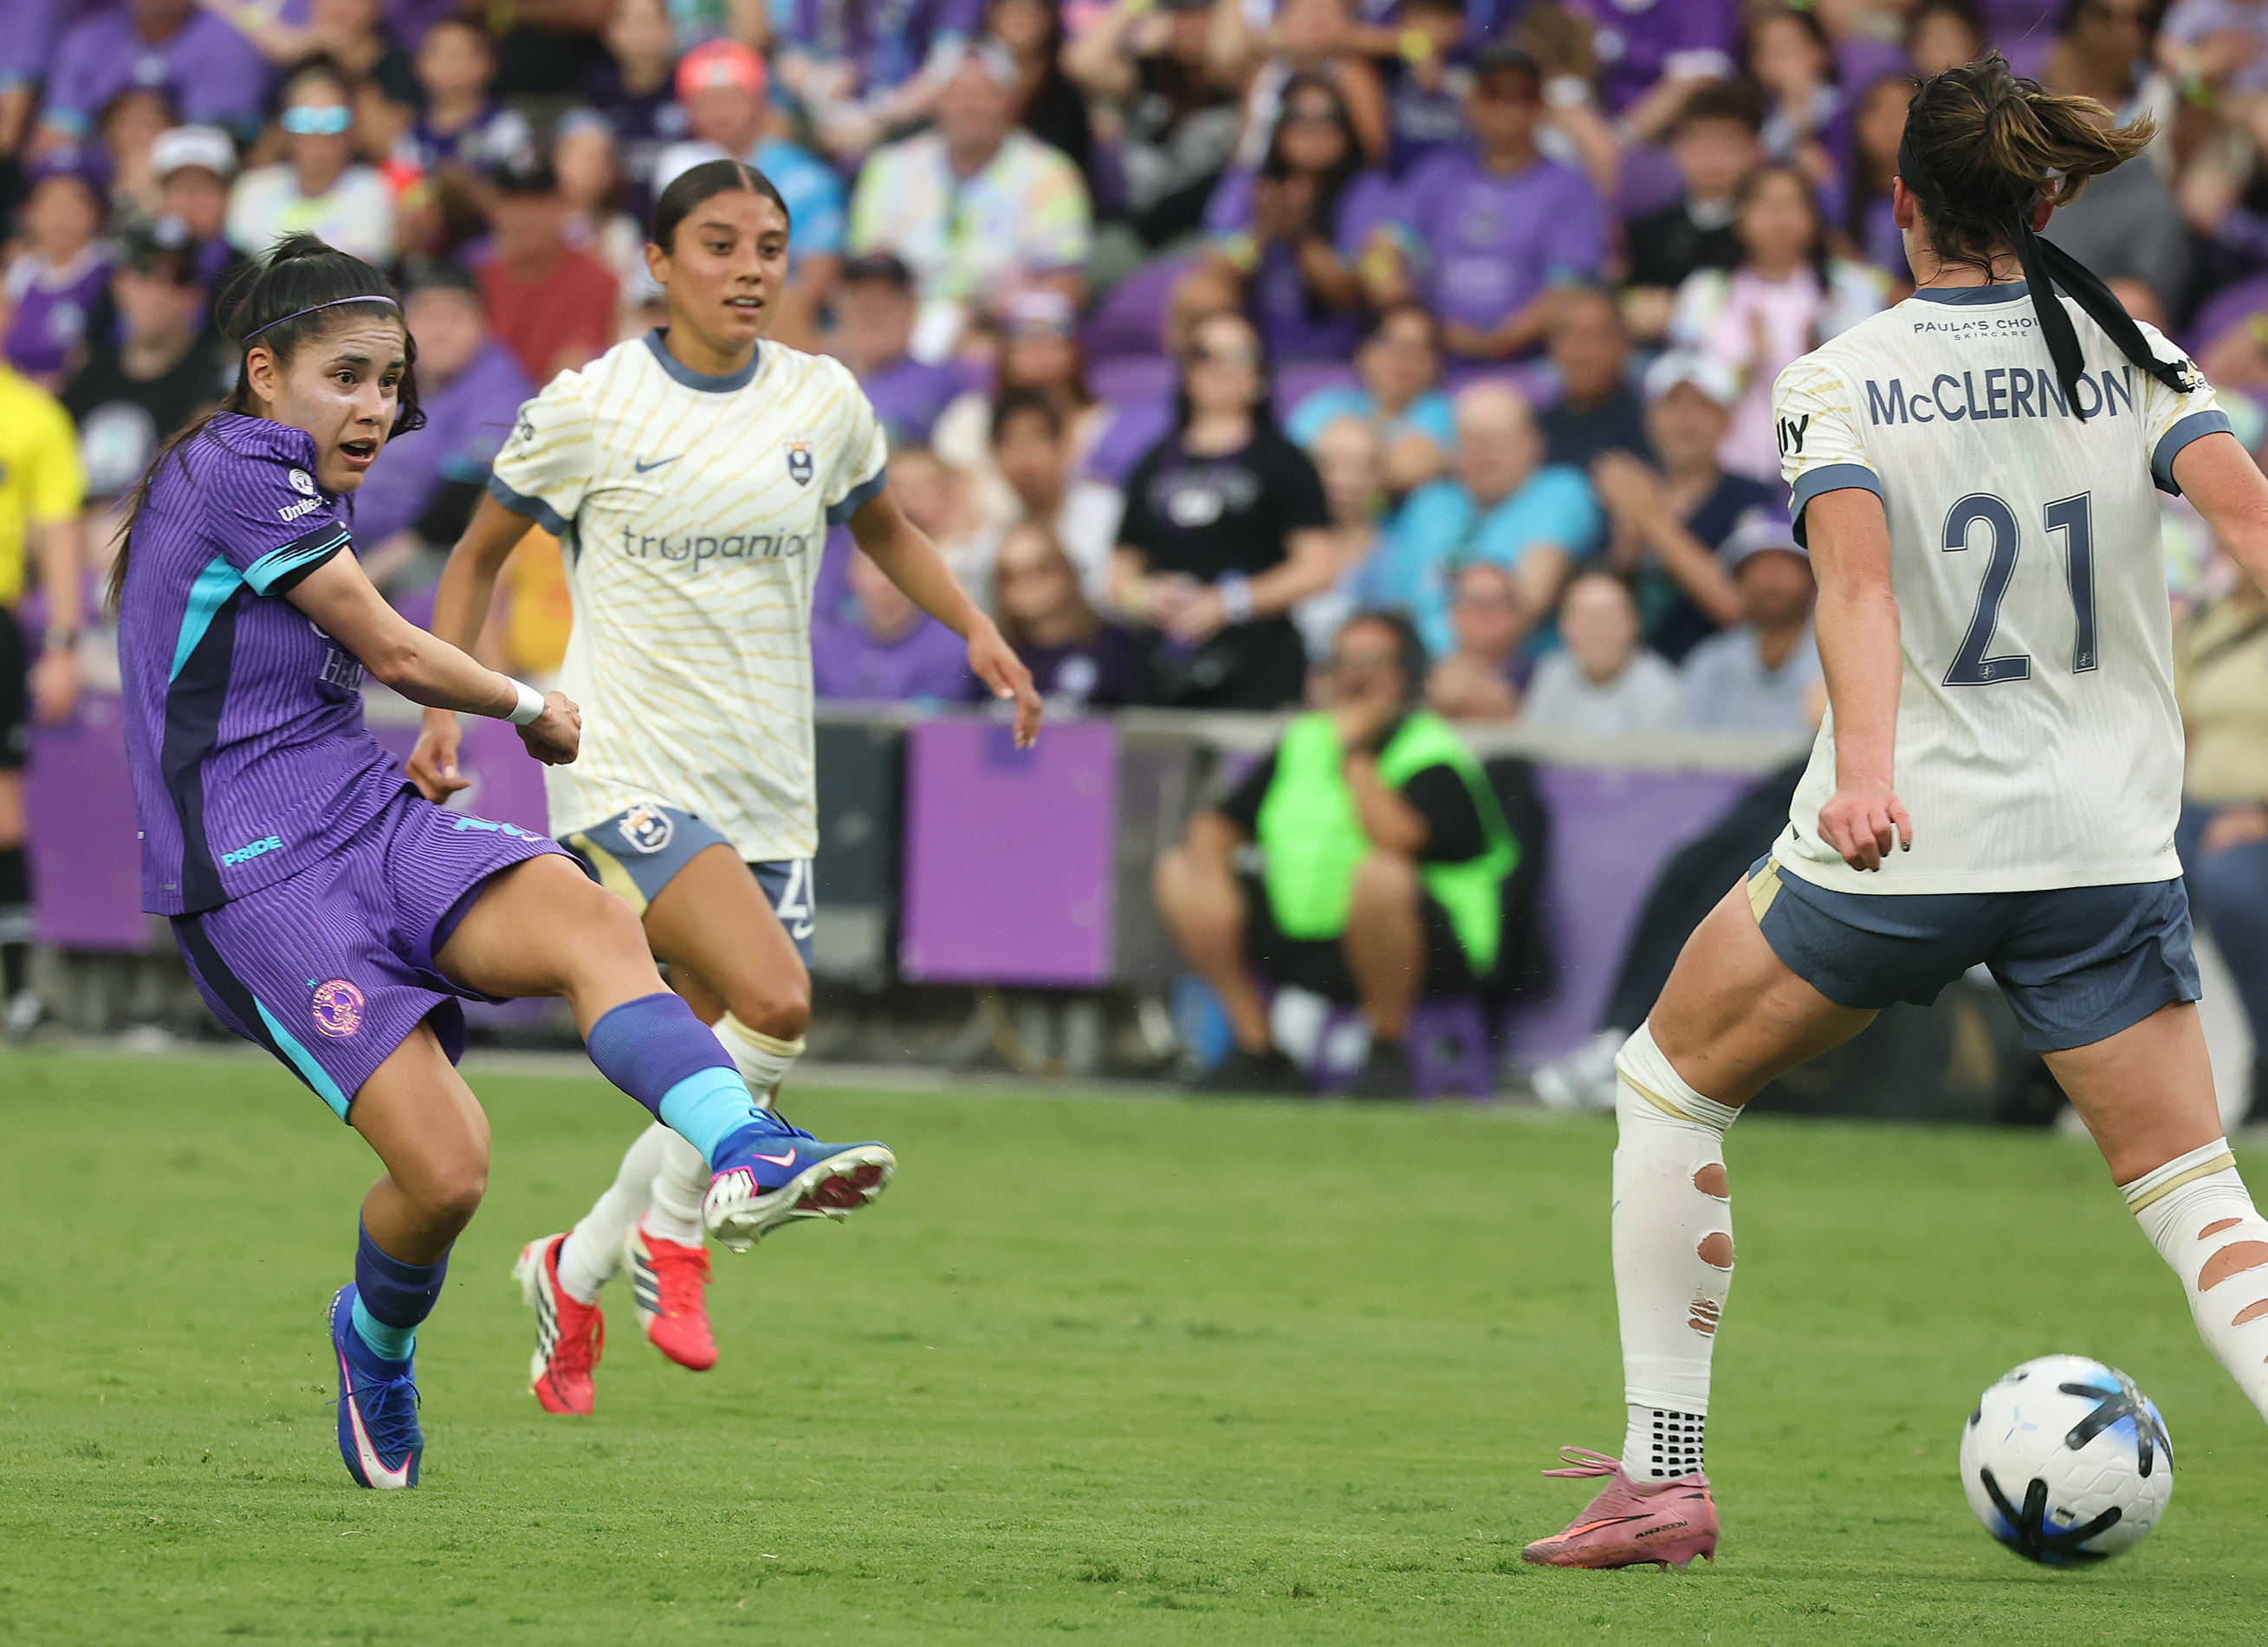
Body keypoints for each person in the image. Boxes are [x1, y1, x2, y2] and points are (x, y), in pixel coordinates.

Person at [1522, 55, 2268, 1572]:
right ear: (2042, 197)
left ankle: (1664, 1479)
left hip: (1899, 848)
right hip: (2101, 854)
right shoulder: (2128, 350)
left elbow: (1852, 585)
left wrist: (1864, 768)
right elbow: (2249, 525)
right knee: (2200, 1204)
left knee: (1666, 1083)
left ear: (1895, 209)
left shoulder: (1842, 375)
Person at [112, 233, 884, 1490]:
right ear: (264, 372)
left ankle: (747, 1147)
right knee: (450, 1172)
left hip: (364, 816)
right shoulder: (235, 467)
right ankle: (372, 1343)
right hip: (253, 881)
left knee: (590, 924)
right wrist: (530, 707)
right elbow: (394, 648)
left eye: (389, 381)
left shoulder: (292, 471)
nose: (372, 407)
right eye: (346, 377)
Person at [406, 160, 1039, 1416]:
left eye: (769, 244)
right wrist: (446, 712)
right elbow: (475, 557)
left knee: (715, 1069)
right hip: (619, 766)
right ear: (658, 260)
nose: (750, 267)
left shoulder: (821, 398)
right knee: (777, 998)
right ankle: (676, 1241)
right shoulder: (593, 406)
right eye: (718, 243)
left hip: (767, 783)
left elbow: (887, 528)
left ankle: (569, 1266)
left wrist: (974, 626)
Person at [1152, 609, 1519, 1096]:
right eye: (1346, 660)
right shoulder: (1304, 739)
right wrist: (1213, 884)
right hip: (1306, 933)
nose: (1358, 675)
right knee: (1181, 870)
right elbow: (1217, 824)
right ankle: (1258, 1048)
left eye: (1375, 661)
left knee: (1381, 874)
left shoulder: (1432, 752)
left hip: (1428, 950)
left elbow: (1396, 839)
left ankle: (1387, 1051)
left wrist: (1355, 753)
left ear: (1405, 673)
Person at [1110, 311, 1338, 709]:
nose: (1219, 369)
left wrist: (1231, 602)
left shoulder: (1285, 461)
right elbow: (1119, 572)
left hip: (1259, 665)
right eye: (1204, 355)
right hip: (1165, 664)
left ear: (1260, 375)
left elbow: (1319, 566)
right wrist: (1147, 596)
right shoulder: (1153, 463)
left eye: (1237, 356)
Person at [846, 42, 1092, 353]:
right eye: (958, 94)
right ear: (936, 101)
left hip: (997, 338)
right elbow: (868, 270)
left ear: (1011, 102)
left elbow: (1065, 288)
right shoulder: (888, 168)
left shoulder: (1052, 175)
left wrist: (986, 312)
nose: (970, 107)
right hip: (899, 339)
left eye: (984, 95)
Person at [1377, 44, 1606, 363]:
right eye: (1494, 94)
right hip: (1428, 356)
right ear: (1472, 103)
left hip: (1528, 361)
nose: (1508, 108)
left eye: (1523, 96)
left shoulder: (1569, 186)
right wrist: (1401, 303)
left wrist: (1499, 339)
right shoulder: (1437, 173)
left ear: (1540, 106)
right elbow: (1381, 249)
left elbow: (1570, 287)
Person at [1668, 162, 1885, 485]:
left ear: (1814, 217)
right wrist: (1747, 365)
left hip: (1832, 462)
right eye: (1765, 204)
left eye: (1792, 204)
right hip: (1728, 468)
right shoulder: (1705, 292)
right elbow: (1680, 383)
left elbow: (1873, 378)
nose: (1778, 217)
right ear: (1739, 218)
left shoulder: (1851, 289)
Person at [0, 284, 86, 1039]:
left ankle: (17, 991)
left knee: (3, 809)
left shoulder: (33, 416)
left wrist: (61, 641)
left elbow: (58, 534)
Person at [1370, 381, 1601, 656]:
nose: (1482, 452)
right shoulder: (1430, 500)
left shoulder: (1560, 490)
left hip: (1508, 669)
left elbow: (1530, 602)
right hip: (1416, 669)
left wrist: (1459, 668)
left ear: (1533, 445)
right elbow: (1397, 602)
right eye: (1470, 440)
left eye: (1497, 440)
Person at [653, 40, 846, 351]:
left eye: (732, 97)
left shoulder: (805, 177)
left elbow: (817, 281)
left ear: (760, 102)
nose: (720, 111)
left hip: (784, 335)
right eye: (706, 100)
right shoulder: (676, 173)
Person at [1197, 71, 1397, 366]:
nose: (1313, 130)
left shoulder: (1367, 190)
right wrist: (1262, 233)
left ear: (1348, 130)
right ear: (1278, 129)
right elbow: (1218, 272)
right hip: (1256, 343)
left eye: (1330, 119)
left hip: (1341, 347)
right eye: (1298, 117)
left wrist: (1300, 237)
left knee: (1389, 281)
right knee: (1197, 295)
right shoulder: (1248, 185)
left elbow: (1351, 294)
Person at [350, 262, 535, 574]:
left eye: (455, 317)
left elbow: (468, 494)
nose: (440, 331)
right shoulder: (380, 369)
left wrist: (371, 575)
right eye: (426, 315)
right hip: (346, 540)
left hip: (427, 557)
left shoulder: (501, 387)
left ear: (485, 324)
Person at [1589, 351, 1765, 664]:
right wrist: (1626, 543)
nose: (1686, 419)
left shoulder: (1753, 499)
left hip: (1721, 680)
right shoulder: (1626, 493)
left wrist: (1651, 519)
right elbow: (1602, 600)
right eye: (1672, 404)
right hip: (1632, 681)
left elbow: (1741, 610)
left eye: (1704, 406)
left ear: (1728, 420)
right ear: (1649, 418)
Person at [2174, 558, 2268, 1125]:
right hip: (2195, 806)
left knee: (2232, 886)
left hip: (2254, 816)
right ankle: (2062, 1057)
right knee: (2115, 885)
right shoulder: (2205, 620)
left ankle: (2265, 1054)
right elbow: (2177, 725)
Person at [60, 230, 229, 523]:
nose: (159, 293)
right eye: (145, 274)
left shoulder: (215, 378)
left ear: (197, 296)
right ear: (119, 284)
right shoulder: (90, 369)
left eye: (179, 279)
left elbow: (195, 488)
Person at [1061, 0, 1240, 250]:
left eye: (1205, 17)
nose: (1194, 28)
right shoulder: (1147, 76)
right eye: (1184, 16)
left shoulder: (1239, 89)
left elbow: (1228, 53)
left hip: (1206, 232)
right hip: (1137, 230)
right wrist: (1137, 5)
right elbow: (1082, 63)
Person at [1622, 81, 1766, 344]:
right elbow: (1629, 298)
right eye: (1697, 140)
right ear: (1676, 149)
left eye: (1727, 141)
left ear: (1755, 150)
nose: (1710, 155)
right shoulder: (1647, 231)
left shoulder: (1772, 230)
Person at [33, 0, 268, 153]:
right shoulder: (88, 37)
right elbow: (53, 139)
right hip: (100, 180)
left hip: (183, 181)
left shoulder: (226, 42)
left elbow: (213, 148)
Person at [962, 387, 1125, 603]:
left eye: (1035, 440)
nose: (1023, 459)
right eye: (1007, 443)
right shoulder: (989, 547)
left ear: (1066, 445)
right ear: (993, 455)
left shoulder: (1113, 512)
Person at [225, 63, 398, 266]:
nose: (318, 133)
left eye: (334, 120)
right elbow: (242, 263)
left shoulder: (374, 189)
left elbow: (360, 266)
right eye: (303, 120)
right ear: (284, 128)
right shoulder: (253, 187)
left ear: (352, 129)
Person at [475, 153, 619, 387]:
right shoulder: (475, 276)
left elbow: (569, 379)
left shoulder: (596, 281)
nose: (524, 215)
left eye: (538, 201)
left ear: (563, 206)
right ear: (494, 208)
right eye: (513, 201)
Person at [1284, 302, 1454, 498]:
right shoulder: (1326, 403)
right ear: (1362, 352)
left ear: (1436, 364)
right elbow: (1289, 469)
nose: (1404, 358)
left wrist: (1332, 463)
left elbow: (1409, 468)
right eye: (1391, 344)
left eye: (1419, 348)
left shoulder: (1441, 411)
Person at [1676, 510, 1824, 735]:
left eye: (1787, 563)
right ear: (1737, 579)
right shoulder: (1710, 662)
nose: (1771, 577)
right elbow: (1681, 752)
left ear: (1813, 574)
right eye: (1756, 565)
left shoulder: (1843, 657)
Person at [986, 522, 1149, 709]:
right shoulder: (993, 656)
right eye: (1010, 576)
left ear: (1067, 570)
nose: (1027, 584)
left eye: (1042, 568)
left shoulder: (1117, 647)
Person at [1520, 568, 1682, 736]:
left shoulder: (1660, 688)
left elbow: (1656, 761)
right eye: (1585, 618)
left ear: (1634, 624)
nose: (1597, 630)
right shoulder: (1552, 674)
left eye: (1608, 617)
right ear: (1564, 627)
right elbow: (1533, 749)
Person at [825, 251, 962, 446]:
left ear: (911, 309)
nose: (870, 312)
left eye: (886, 299)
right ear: (839, 307)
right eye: (858, 298)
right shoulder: (813, 379)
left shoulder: (945, 385)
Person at [3, 163, 110, 387]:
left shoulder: (107, 272)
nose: (61, 217)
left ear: (95, 213)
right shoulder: (22, 273)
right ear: (29, 214)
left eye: (74, 204)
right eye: (50, 204)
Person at [1539, 286, 1652, 470]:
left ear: (1624, 345)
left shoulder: (1649, 429)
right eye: (1571, 337)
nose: (1583, 355)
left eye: (1596, 337)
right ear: (1552, 347)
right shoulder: (1537, 434)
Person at [1424, 561, 1528, 723]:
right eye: (1471, 600)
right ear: (1453, 613)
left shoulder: (1542, 677)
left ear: (1517, 614)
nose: (1484, 613)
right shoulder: (1423, 671)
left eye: (1496, 601)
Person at [151, 125, 245, 289]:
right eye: (179, 187)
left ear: (227, 195)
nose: (190, 200)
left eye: (203, 187)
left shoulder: (244, 274)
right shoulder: (138, 263)